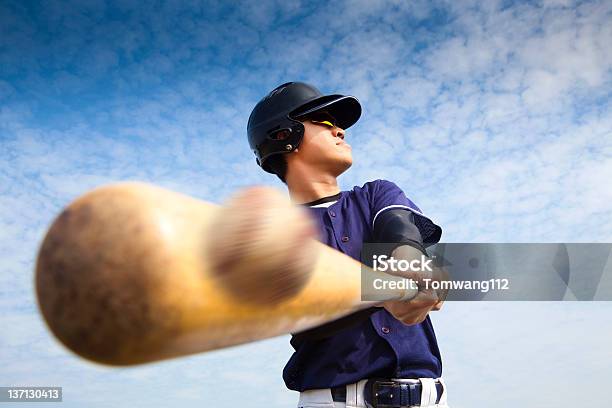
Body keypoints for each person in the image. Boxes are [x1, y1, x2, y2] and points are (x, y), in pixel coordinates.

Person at [247, 82, 448, 408]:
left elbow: (398, 227)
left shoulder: (375, 195)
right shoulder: (275, 231)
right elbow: (301, 302)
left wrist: (411, 260)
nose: (340, 131)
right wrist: (383, 292)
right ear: (283, 136)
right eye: (324, 122)